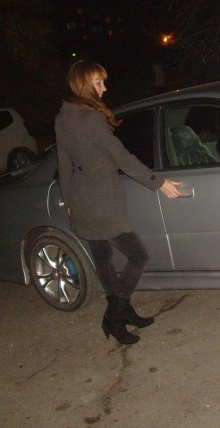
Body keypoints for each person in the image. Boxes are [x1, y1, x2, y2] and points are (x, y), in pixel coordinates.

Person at [54, 60, 182, 345]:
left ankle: (124, 312)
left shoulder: (62, 118)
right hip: (103, 200)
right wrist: (158, 182)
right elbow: (122, 157)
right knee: (139, 256)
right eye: (99, 83)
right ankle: (114, 314)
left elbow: (63, 163)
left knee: (103, 258)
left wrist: (68, 198)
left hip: (81, 199)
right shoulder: (91, 119)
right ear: (85, 85)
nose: (104, 88)